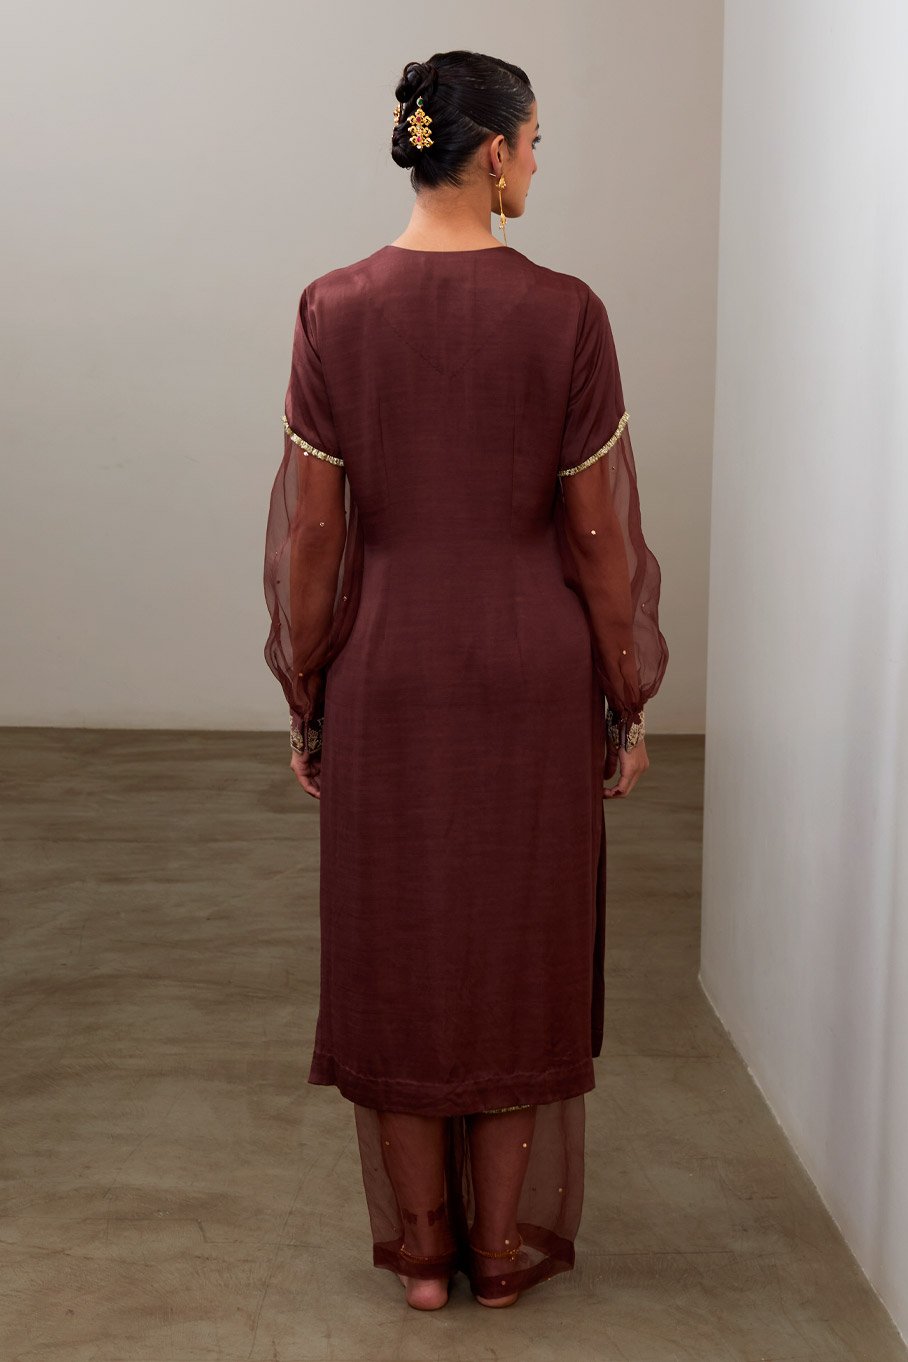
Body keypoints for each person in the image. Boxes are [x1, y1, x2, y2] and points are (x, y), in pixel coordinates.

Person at [263, 50, 669, 1312]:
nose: (538, 163)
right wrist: (626, 696)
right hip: (529, 673)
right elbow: (598, 539)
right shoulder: (566, 312)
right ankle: (499, 1256)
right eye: (535, 142)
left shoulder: (333, 308)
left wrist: (307, 692)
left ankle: (421, 1261)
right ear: (492, 153)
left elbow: (313, 537)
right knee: (514, 955)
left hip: (387, 667)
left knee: (396, 951)